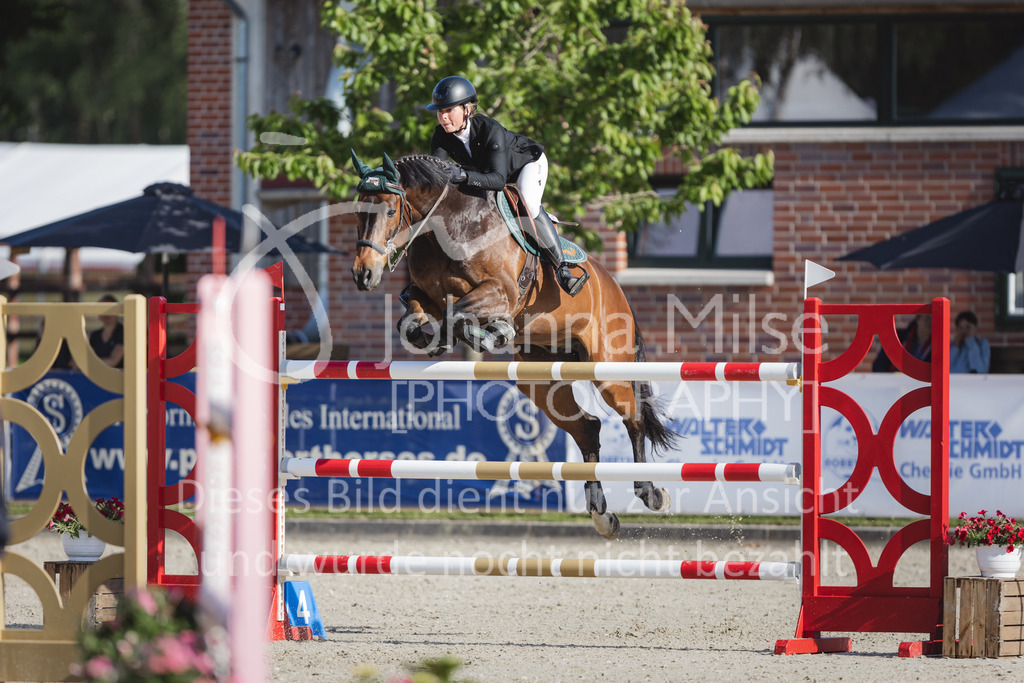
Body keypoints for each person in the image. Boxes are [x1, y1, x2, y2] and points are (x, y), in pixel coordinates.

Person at [426, 75, 587, 297]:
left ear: (466, 109)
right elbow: (438, 176)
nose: (443, 117)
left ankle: (563, 270)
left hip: (526, 165)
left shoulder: (489, 129)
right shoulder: (440, 136)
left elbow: (498, 181)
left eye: (449, 111)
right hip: (486, 173)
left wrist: (462, 175)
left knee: (529, 202)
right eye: (439, 112)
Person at [90, 294, 124, 368]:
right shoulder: (95, 335)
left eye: (110, 310)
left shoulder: (123, 332)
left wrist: (88, 364)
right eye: (102, 309)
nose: (106, 314)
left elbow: (114, 361)